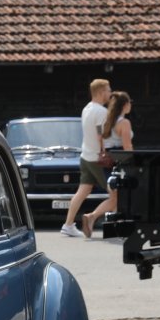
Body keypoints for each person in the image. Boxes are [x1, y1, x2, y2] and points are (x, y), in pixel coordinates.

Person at [61, 78, 112, 237]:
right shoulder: (101, 112)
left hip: (85, 156)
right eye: (108, 90)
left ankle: (68, 225)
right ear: (101, 92)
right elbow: (100, 135)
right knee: (117, 195)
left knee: (83, 191)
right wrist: (106, 153)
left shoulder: (86, 109)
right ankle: (93, 217)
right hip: (98, 159)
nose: (110, 93)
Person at [81, 90, 134, 238]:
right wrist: (134, 163)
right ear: (125, 105)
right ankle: (93, 216)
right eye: (130, 103)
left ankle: (112, 224)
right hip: (121, 162)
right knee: (120, 197)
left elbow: (101, 141)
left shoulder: (107, 122)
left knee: (116, 197)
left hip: (107, 162)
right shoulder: (124, 123)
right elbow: (127, 147)